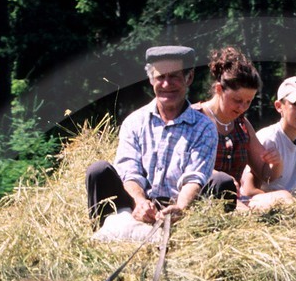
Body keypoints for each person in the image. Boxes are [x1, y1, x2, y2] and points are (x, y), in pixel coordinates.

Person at [85, 45, 225, 228]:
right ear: (151, 79)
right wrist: (140, 202)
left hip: (181, 205)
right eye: (160, 77)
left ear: (188, 78)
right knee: (98, 171)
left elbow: (195, 177)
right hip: (136, 203)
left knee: (223, 182)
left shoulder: (204, 127)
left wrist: (180, 207)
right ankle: (103, 238)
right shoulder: (134, 122)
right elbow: (129, 170)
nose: (166, 84)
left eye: (174, 76)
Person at [193, 47, 280, 206]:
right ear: (219, 89)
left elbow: (265, 174)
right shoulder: (194, 118)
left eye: (248, 101)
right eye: (237, 100)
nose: (242, 108)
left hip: (237, 201)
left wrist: (276, 163)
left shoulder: (242, 124)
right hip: (204, 202)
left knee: (284, 197)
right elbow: (181, 168)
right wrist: (221, 180)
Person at [241, 76, 296, 213]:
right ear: (279, 106)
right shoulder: (268, 139)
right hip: (259, 207)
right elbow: (248, 189)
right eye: (295, 104)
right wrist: (282, 204)